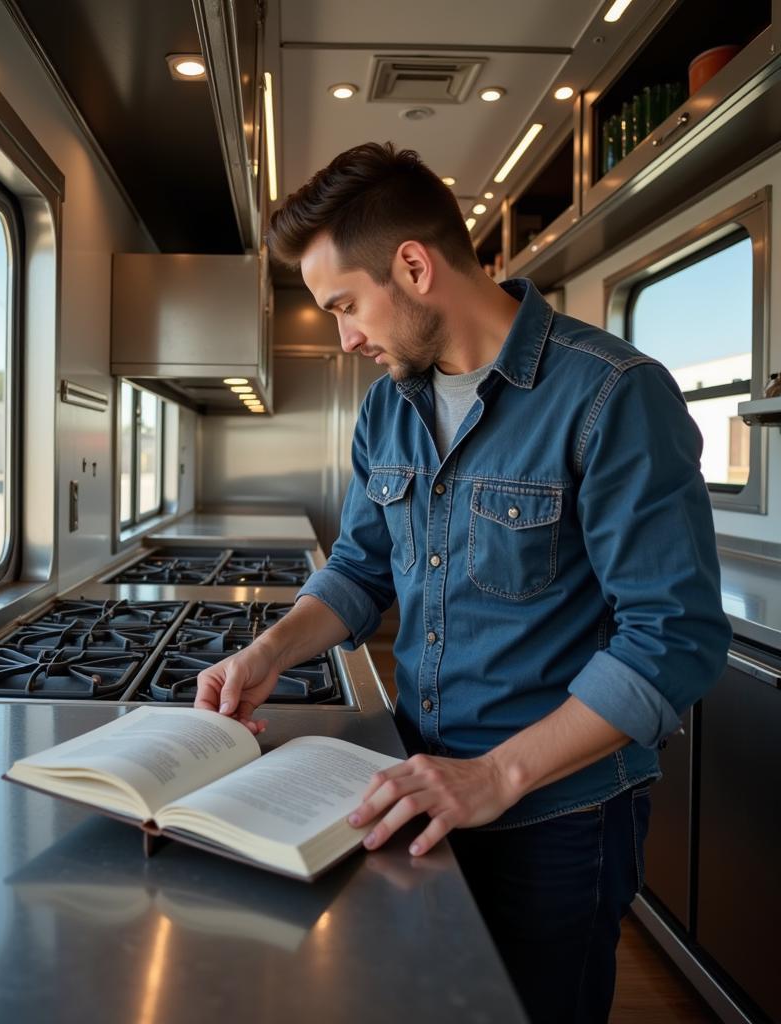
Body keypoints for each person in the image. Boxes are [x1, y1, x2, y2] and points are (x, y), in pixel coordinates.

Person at [194, 141, 730, 1023]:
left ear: (413, 266)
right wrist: (268, 652)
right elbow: (361, 570)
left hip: (557, 818)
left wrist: (496, 777)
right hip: (420, 785)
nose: (346, 338)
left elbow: (673, 639)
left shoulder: (613, 394)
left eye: (346, 306)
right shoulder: (386, 408)